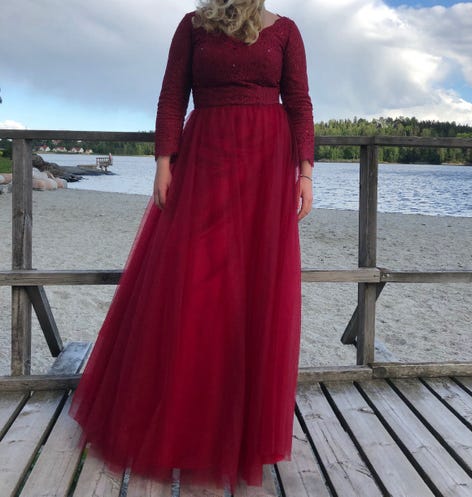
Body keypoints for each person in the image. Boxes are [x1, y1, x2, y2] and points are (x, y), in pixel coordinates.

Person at [69, 0, 314, 494]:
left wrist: (305, 172)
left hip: (267, 167)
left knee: (250, 294)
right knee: (194, 284)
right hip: (205, 157)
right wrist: (164, 161)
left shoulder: (286, 31)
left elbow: (300, 103)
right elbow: (171, 96)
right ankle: (180, 418)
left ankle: (239, 430)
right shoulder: (193, 25)